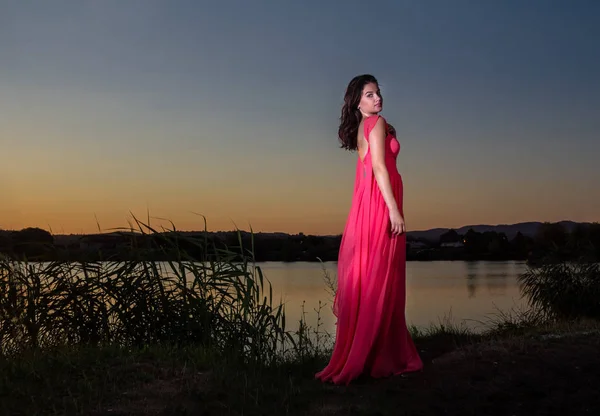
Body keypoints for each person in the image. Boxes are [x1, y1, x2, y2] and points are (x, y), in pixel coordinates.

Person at [315, 74, 423, 385]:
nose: (377, 98)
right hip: (378, 204)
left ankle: (371, 352)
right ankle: (376, 355)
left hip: (367, 205)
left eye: (377, 93)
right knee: (381, 278)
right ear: (358, 102)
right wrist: (393, 209)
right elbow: (378, 167)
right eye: (370, 94)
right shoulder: (376, 124)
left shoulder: (366, 127)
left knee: (373, 278)